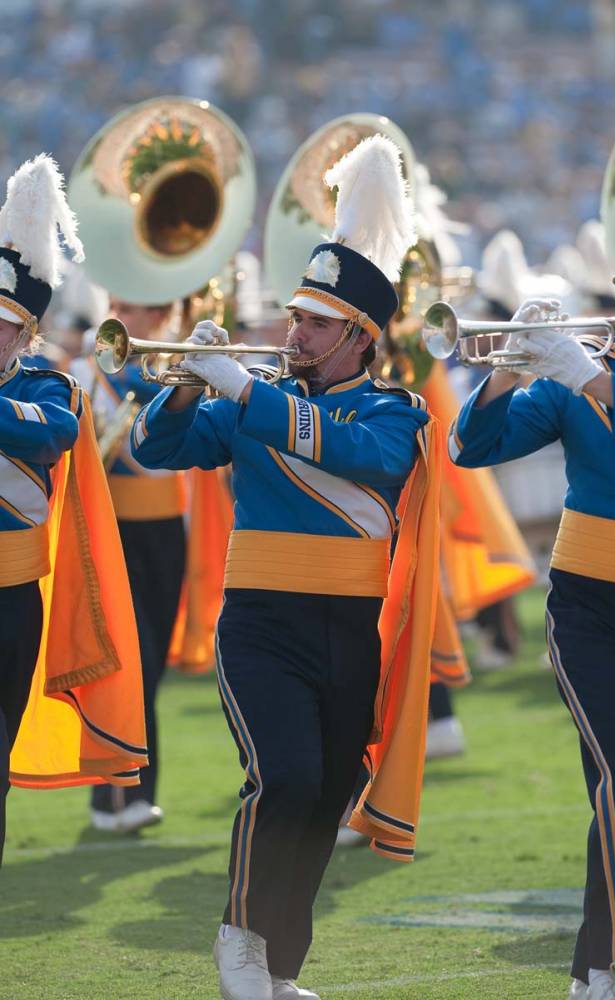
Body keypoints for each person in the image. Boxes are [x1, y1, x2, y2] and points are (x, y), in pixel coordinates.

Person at [131, 135, 441, 1000]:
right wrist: (188, 383)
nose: (291, 331)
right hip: (262, 621)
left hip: (349, 628)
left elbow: (358, 457)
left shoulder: (394, 409)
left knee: (328, 791)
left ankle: (280, 968)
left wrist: (242, 389)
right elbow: (158, 449)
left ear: (359, 338)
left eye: (313, 323)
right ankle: (240, 936)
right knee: (286, 776)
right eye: (295, 316)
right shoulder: (251, 398)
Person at [448, 142, 615, 1000]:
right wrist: (508, 368)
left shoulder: (599, 379)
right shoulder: (585, 374)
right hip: (593, 608)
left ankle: (597, 966)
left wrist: (593, 380)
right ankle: (604, 972)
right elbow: (475, 447)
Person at [0, 155, 147, 862]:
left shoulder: (49, 385)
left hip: (9, 599)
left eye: (2, 325)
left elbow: (51, 433)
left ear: (26, 332)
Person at [71, 297, 187, 834]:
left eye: (138, 308)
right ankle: (118, 795)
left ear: (162, 315)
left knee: (152, 663)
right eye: (118, 305)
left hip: (165, 531)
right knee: (126, 659)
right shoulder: (83, 373)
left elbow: (173, 462)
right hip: (109, 527)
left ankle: (129, 790)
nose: (124, 315)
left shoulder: (175, 369)